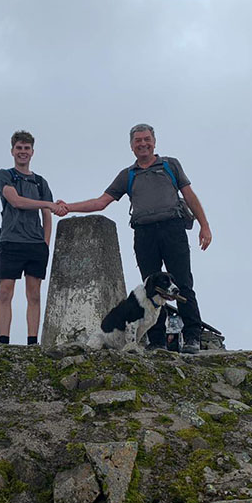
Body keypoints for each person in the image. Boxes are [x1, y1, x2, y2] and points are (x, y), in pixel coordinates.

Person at [58, 123, 212, 353]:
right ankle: (157, 341)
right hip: (144, 233)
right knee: (152, 288)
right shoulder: (128, 175)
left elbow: (189, 195)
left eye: (147, 139)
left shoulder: (170, 165)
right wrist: (68, 207)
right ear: (131, 146)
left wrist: (204, 225)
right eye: (138, 141)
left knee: (182, 284)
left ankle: (192, 337)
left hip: (173, 229)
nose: (143, 144)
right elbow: (101, 202)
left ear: (154, 141)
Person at [0, 130, 67, 345]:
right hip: (11, 241)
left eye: (26, 148)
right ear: (12, 151)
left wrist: (46, 242)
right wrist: (46, 204)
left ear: (32, 152)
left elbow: (48, 215)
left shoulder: (40, 182)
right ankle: (4, 341)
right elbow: (16, 201)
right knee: (5, 292)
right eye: (19, 148)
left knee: (34, 294)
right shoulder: (5, 175)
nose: (23, 152)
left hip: (35, 244)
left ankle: (32, 342)